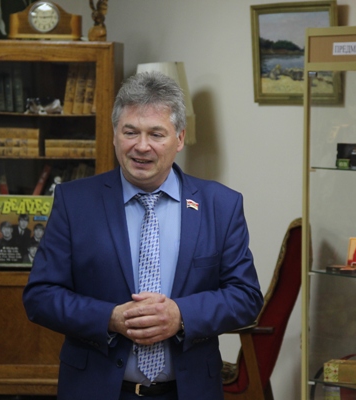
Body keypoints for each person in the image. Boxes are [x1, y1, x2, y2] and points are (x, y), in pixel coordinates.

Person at [23, 71, 263, 400]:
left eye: (156, 134)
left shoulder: (220, 205)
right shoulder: (74, 202)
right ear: (114, 135)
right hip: (96, 389)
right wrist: (109, 318)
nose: (141, 146)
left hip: (187, 391)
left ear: (180, 138)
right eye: (130, 132)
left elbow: (246, 297)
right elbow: (40, 296)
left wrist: (181, 315)